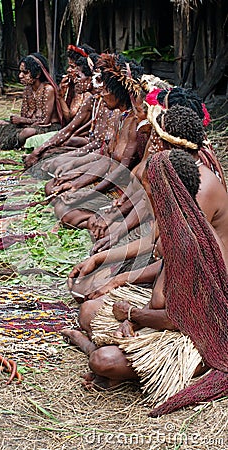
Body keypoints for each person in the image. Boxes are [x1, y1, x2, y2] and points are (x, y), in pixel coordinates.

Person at [62, 149, 228, 416]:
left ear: (166, 192)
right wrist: (123, 292)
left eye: (149, 191)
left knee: (102, 361)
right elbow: (165, 272)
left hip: (197, 335)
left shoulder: (190, 237)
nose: (145, 197)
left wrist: (130, 314)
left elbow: (179, 318)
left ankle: (92, 348)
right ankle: (119, 362)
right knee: (89, 310)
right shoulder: (178, 223)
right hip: (165, 315)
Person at [68, 104, 228, 301]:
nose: (153, 145)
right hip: (166, 264)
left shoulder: (200, 188)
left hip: (198, 283)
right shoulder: (176, 176)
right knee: (83, 285)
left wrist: (120, 279)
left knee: (89, 302)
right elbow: (155, 241)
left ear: (168, 146)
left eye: (157, 140)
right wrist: (99, 257)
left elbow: (179, 259)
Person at [51, 53, 150, 230]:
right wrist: (75, 183)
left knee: (66, 212)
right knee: (54, 189)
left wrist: (87, 194)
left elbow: (121, 170)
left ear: (120, 93)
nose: (102, 93)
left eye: (107, 89)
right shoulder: (120, 116)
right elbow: (106, 160)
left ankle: (105, 220)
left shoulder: (137, 126)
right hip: (109, 181)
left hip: (123, 191)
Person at [0, 53, 63, 149]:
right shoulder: (27, 89)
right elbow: (23, 116)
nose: (20, 76)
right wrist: (20, 121)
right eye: (20, 72)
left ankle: (5, 139)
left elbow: (45, 121)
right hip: (27, 125)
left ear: (37, 74)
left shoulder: (48, 89)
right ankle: (13, 139)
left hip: (47, 127)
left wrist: (22, 120)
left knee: (27, 132)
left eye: (25, 72)